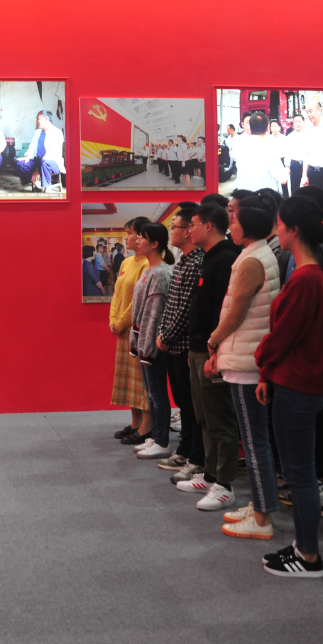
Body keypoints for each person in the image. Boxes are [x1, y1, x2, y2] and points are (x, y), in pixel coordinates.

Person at [254, 196, 323, 577]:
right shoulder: (308, 276)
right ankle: (304, 547)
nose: (278, 231)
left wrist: (260, 359)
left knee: (300, 475)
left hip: (297, 388)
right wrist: (267, 372)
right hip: (294, 382)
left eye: (281, 225)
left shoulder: (306, 279)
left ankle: (308, 555)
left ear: (294, 230)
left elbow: (282, 336)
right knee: (298, 472)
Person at [206, 198, 281, 536]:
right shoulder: (255, 254)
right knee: (255, 441)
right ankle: (261, 505)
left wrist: (213, 341)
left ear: (247, 225)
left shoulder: (252, 260)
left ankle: (263, 518)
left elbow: (235, 313)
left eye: (234, 220)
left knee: (253, 442)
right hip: (248, 356)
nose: (230, 226)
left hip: (246, 360)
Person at [178, 203, 243, 510]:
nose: (189, 230)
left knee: (220, 419)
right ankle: (210, 474)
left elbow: (225, 312)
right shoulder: (208, 258)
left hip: (211, 349)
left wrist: (214, 350)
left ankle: (225, 484)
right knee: (203, 416)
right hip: (197, 348)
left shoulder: (226, 259)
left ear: (209, 226)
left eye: (193, 224)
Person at [154, 202, 206, 475]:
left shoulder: (197, 262)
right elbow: (170, 305)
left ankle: (192, 453)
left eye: (174, 226)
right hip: (173, 344)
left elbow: (186, 309)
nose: (171, 231)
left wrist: (168, 335)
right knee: (183, 403)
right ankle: (186, 449)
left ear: (188, 231)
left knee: (191, 405)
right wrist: (162, 332)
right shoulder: (183, 261)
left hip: (185, 345)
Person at [129, 221, 177, 460]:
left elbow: (155, 314)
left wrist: (147, 345)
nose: (137, 241)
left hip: (152, 342)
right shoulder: (149, 269)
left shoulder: (160, 272)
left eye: (142, 238)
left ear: (155, 243)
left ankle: (161, 441)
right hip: (144, 341)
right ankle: (157, 436)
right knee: (151, 393)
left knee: (157, 394)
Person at [110, 218, 152, 444]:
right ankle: (135, 422)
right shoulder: (126, 262)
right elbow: (117, 294)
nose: (126, 237)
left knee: (141, 380)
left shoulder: (147, 263)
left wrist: (122, 321)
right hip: (123, 329)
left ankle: (147, 426)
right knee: (129, 380)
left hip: (137, 328)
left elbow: (138, 300)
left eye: (130, 233)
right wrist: (113, 319)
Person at [231, 113, 288, 193]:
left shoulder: (241, 147)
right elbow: (283, 180)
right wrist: (287, 169)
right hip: (263, 197)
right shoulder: (269, 150)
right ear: (268, 128)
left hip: (244, 196)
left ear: (251, 127)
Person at [16, 110, 66, 193]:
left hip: (52, 162)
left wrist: (38, 170)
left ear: (46, 118)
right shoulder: (38, 132)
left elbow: (51, 154)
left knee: (44, 163)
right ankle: (34, 181)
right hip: (38, 160)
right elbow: (32, 147)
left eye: (38, 118)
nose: (36, 121)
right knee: (20, 163)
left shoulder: (57, 132)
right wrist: (27, 156)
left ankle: (47, 188)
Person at [285, 115, 308, 191]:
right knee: (294, 187)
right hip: (295, 164)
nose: (297, 123)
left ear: (304, 122)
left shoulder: (309, 134)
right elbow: (287, 152)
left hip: (308, 164)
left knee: (308, 187)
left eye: (299, 121)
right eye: (295, 122)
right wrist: (287, 166)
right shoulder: (290, 136)